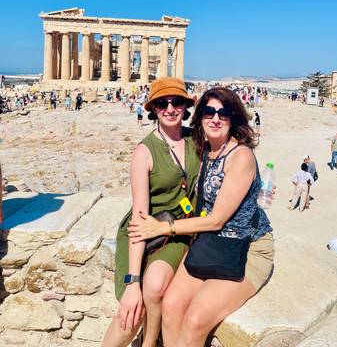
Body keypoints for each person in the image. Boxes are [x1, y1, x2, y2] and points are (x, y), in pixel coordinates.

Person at [128, 88, 274, 347]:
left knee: (195, 320)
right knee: (171, 306)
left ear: (234, 118)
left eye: (223, 113)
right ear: (200, 117)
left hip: (246, 249)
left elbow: (217, 219)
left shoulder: (240, 156)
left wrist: (164, 227)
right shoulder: (205, 148)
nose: (215, 118)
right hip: (211, 244)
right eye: (209, 112)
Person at [102, 77, 200, 347]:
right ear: (153, 109)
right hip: (142, 230)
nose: (170, 108)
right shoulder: (144, 151)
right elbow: (139, 217)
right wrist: (132, 281)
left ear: (186, 106)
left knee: (155, 285)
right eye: (162, 103)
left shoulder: (196, 139)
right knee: (133, 309)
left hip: (176, 230)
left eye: (177, 102)